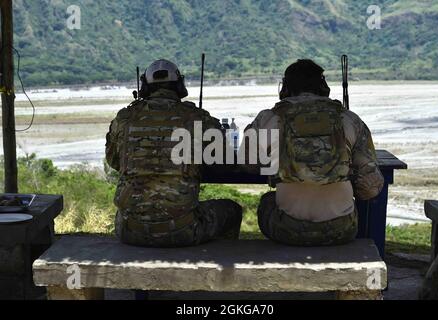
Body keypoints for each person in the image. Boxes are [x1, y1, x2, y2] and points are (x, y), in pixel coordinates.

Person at [242, 59, 384, 246]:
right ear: (324, 87)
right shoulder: (349, 119)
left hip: (288, 231)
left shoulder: (269, 118)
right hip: (342, 230)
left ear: (284, 89)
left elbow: (247, 163)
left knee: (268, 200)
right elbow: (370, 189)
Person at [105, 59, 242, 247]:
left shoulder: (124, 118)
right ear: (179, 86)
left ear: (145, 87)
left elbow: (114, 161)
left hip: (129, 230)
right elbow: (225, 163)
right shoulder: (198, 118)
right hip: (183, 230)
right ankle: (215, 268)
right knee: (232, 210)